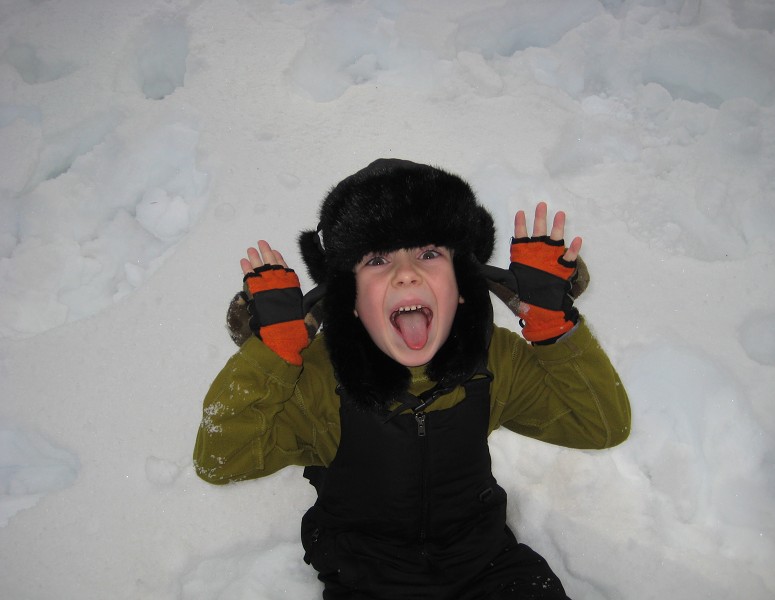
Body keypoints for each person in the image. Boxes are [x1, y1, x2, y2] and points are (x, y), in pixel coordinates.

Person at [194, 158, 631, 599]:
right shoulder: (315, 381)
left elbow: (600, 425)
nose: (406, 273)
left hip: (485, 564)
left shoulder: (495, 360)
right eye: (377, 259)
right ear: (351, 300)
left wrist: (554, 331)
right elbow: (221, 460)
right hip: (367, 579)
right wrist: (272, 357)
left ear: (461, 285)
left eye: (429, 253)